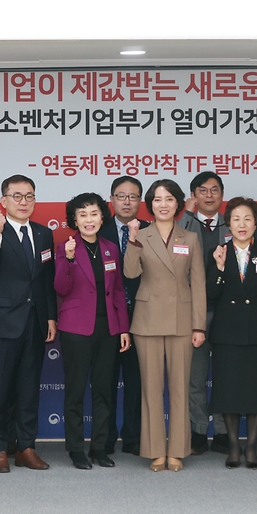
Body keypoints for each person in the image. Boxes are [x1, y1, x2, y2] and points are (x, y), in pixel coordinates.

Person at [123, 179, 206, 472]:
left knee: (180, 388)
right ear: (150, 204)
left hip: (182, 320)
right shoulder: (140, 235)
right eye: (157, 199)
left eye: (169, 199)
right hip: (147, 320)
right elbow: (130, 273)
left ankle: (178, 449)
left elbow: (198, 283)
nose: (163, 204)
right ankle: (156, 450)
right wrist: (132, 241)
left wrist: (199, 326)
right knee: (151, 389)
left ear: (178, 203)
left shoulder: (190, 238)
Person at [0, 175, 57, 473]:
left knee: (28, 389)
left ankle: (26, 446)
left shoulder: (42, 234)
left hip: (34, 322)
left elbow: (45, 281)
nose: (23, 202)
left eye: (29, 196)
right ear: (4, 201)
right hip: (2, 322)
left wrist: (50, 316)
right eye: (17, 196)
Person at [55, 193, 131, 470]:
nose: (89, 220)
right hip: (76, 329)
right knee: (75, 391)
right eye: (82, 215)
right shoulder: (66, 247)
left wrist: (123, 328)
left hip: (108, 328)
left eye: (94, 214)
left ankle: (99, 447)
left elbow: (119, 292)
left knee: (103, 391)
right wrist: (70, 260)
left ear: (102, 217)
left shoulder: (111, 248)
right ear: (74, 219)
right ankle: (76, 448)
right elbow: (60, 288)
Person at [208, 197, 257, 470]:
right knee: (228, 393)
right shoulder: (218, 252)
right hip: (227, 333)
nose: (242, 225)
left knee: (256, 393)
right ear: (228, 223)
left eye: (248, 219)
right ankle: (233, 447)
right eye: (236, 219)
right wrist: (218, 269)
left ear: (256, 223)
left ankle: (251, 448)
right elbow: (209, 295)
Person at [178, 171, 232, 455]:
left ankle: (223, 431)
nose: (209, 195)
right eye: (203, 190)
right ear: (194, 196)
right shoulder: (185, 225)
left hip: (227, 312)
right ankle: (198, 430)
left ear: (222, 195)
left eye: (214, 190)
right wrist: (187, 213)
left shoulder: (233, 223)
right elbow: (175, 246)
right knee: (195, 377)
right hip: (193, 312)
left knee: (224, 375)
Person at [98, 175, 148, 456]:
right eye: (121, 196)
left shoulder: (152, 232)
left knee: (137, 382)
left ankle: (134, 438)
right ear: (112, 200)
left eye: (133, 196)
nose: (127, 201)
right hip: (106, 321)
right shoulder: (96, 231)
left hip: (142, 319)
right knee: (105, 382)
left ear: (140, 201)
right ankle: (105, 439)